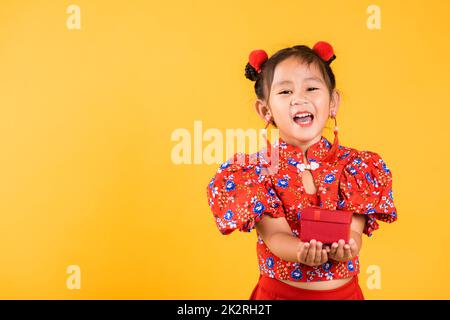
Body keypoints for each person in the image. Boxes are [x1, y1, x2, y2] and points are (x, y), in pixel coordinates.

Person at [206, 41, 397, 300]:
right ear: (265, 110)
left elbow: (353, 230)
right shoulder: (257, 172)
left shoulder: (356, 167)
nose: (299, 98)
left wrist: (350, 246)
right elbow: (276, 235)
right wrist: (301, 250)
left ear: (333, 102)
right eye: (285, 92)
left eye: (311, 88)